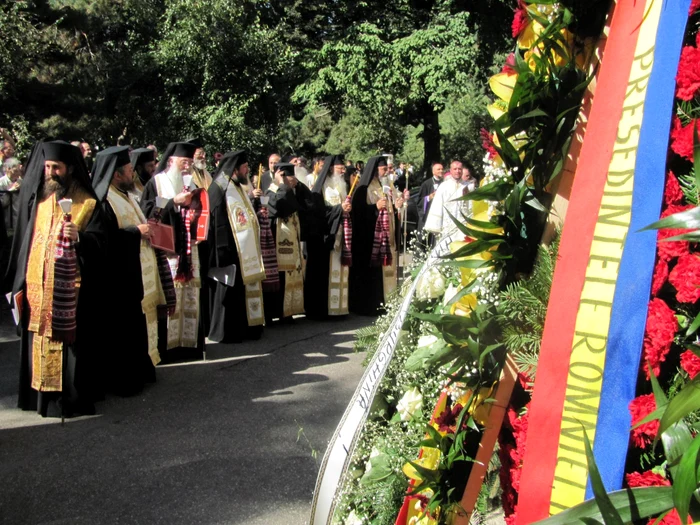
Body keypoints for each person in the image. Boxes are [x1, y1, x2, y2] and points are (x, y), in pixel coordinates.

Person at [5, 140, 107, 417]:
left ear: (70, 168)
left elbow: (102, 243)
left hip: (69, 293)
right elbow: (25, 243)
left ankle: (69, 399)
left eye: (56, 167)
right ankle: (37, 397)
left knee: (69, 348)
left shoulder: (87, 202)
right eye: (47, 166)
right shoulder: (39, 199)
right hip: (37, 288)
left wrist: (82, 238)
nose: (50, 172)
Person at [92, 146, 173, 395]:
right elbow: (103, 242)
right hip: (119, 278)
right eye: (128, 170)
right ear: (117, 175)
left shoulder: (125, 194)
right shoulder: (104, 200)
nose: (132, 174)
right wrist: (137, 231)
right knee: (123, 330)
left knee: (138, 325)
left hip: (136, 274)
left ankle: (142, 370)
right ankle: (124, 380)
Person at [140, 141, 205, 357]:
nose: (187, 166)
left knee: (191, 293)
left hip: (190, 248)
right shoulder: (156, 183)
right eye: (183, 162)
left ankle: (189, 345)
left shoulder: (194, 184)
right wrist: (173, 203)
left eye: (189, 162)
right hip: (167, 250)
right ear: (171, 161)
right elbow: (146, 210)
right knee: (171, 294)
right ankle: (168, 349)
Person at [207, 150, 266, 342]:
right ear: (234, 169)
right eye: (245, 168)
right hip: (229, 250)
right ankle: (227, 332)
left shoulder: (237, 186)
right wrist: (223, 250)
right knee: (228, 291)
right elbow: (217, 221)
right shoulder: (220, 188)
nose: (247, 171)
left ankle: (247, 327)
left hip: (243, 249)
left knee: (242, 290)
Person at [349, 156, 405, 316]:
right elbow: (358, 214)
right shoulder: (363, 188)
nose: (387, 171)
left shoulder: (386, 186)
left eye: (387, 169)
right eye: (383, 169)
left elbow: (390, 211)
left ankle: (388, 302)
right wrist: (374, 207)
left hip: (387, 237)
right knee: (373, 275)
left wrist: (396, 207)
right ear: (375, 170)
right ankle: (372, 304)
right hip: (370, 239)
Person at [305, 155, 353, 318]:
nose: (343, 170)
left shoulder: (341, 184)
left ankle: (340, 308)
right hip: (325, 236)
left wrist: (345, 209)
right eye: (340, 167)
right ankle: (324, 310)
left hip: (340, 233)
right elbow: (319, 212)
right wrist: (339, 209)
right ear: (331, 168)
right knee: (324, 273)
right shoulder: (321, 186)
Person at [263, 162, 310, 322]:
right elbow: (280, 207)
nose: (293, 181)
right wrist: (283, 183)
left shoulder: (291, 190)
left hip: (292, 241)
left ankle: (288, 311)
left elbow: (306, 204)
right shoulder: (271, 191)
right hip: (278, 242)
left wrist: (297, 185)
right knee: (279, 276)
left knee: (292, 274)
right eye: (290, 177)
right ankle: (275, 312)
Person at [424, 159, 470, 238]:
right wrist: (436, 227)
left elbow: (471, 206)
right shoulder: (443, 186)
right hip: (447, 226)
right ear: (451, 170)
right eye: (455, 169)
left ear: (462, 170)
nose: (457, 171)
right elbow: (437, 206)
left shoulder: (468, 186)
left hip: (463, 225)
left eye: (459, 169)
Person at [417, 162, 444, 230]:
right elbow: (419, 201)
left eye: (442, 169)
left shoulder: (445, 183)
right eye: (438, 169)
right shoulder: (426, 184)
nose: (441, 171)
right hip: (429, 215)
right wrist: (429, 198)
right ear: (433, 171)